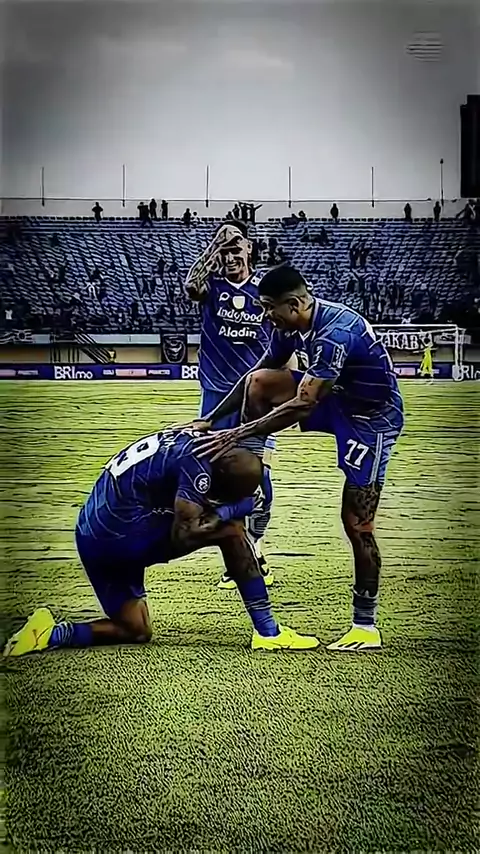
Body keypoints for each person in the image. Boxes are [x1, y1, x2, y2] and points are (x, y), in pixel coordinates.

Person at [194, 265, 404, 652]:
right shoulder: (289, 326)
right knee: (262, 383)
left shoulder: (335, 333)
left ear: (293, 305)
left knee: (357, 523)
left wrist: (235, 432)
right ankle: (252, 476)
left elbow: (304, 404)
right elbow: (258, 375)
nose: (264, 316)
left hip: (370, 419)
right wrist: (212, 419)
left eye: (268, 307)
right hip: (337, 399)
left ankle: (365, 626)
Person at [3, 428, 319, 658]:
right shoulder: (197, 465)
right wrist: (232, 509)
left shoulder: (198, 444)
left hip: (92, 532)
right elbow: (185, 534)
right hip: (119, 534)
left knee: (135, 630)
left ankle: (50, 633)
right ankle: (268, 632)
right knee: (231, 531)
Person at [184, 221, 276, 590]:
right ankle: (238, 552)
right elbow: (191, 286)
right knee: (219, 478)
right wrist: (216, 245)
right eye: (224, 250)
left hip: (255, 399)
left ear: (250, 248)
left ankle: (254, 548)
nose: (230, 255)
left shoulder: (265, 290)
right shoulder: (211, 286)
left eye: (236, 247)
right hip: (215, 397)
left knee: (257, 477)